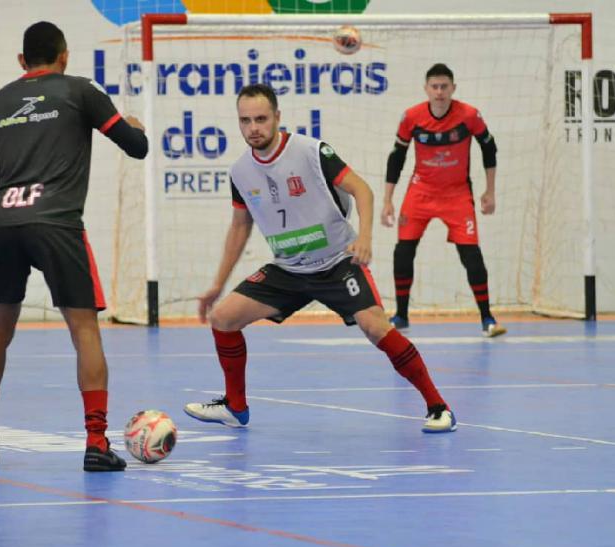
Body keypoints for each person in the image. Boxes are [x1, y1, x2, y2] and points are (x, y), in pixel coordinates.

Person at [184, 83, 456, 434]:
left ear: (278, 117)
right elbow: (240, 227)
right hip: (288, 268)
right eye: (246, 121)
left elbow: (363, 190)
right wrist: (216, 285)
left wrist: (366, 239)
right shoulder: (240, 172)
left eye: (262, 119)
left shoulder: (312, 151)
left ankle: (438, 407)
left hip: (337, 261)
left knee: (375, 327)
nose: (254, 128)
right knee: (222, 318)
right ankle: (235, 407)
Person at [0, 21, 148, 471]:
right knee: (83, 330)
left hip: (4, 224)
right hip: (58, 224)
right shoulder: (79, 91)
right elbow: (136, 147)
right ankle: (96, 443)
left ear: (22, 61)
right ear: (64, 56)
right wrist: (133, 126)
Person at [381, 63, 507, 338]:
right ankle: (401, 315)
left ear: (453, 88)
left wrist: (490, 191)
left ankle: (487, 318)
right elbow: (397, 158)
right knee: (403, 251)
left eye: (444, 87)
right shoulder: (411, 117)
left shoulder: (469, 115)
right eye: (434, 87)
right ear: (426, 89)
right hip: (420, 192)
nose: (439, 92)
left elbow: (489, 147)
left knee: (471, 256)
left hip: (457, 194)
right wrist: (387, 200)